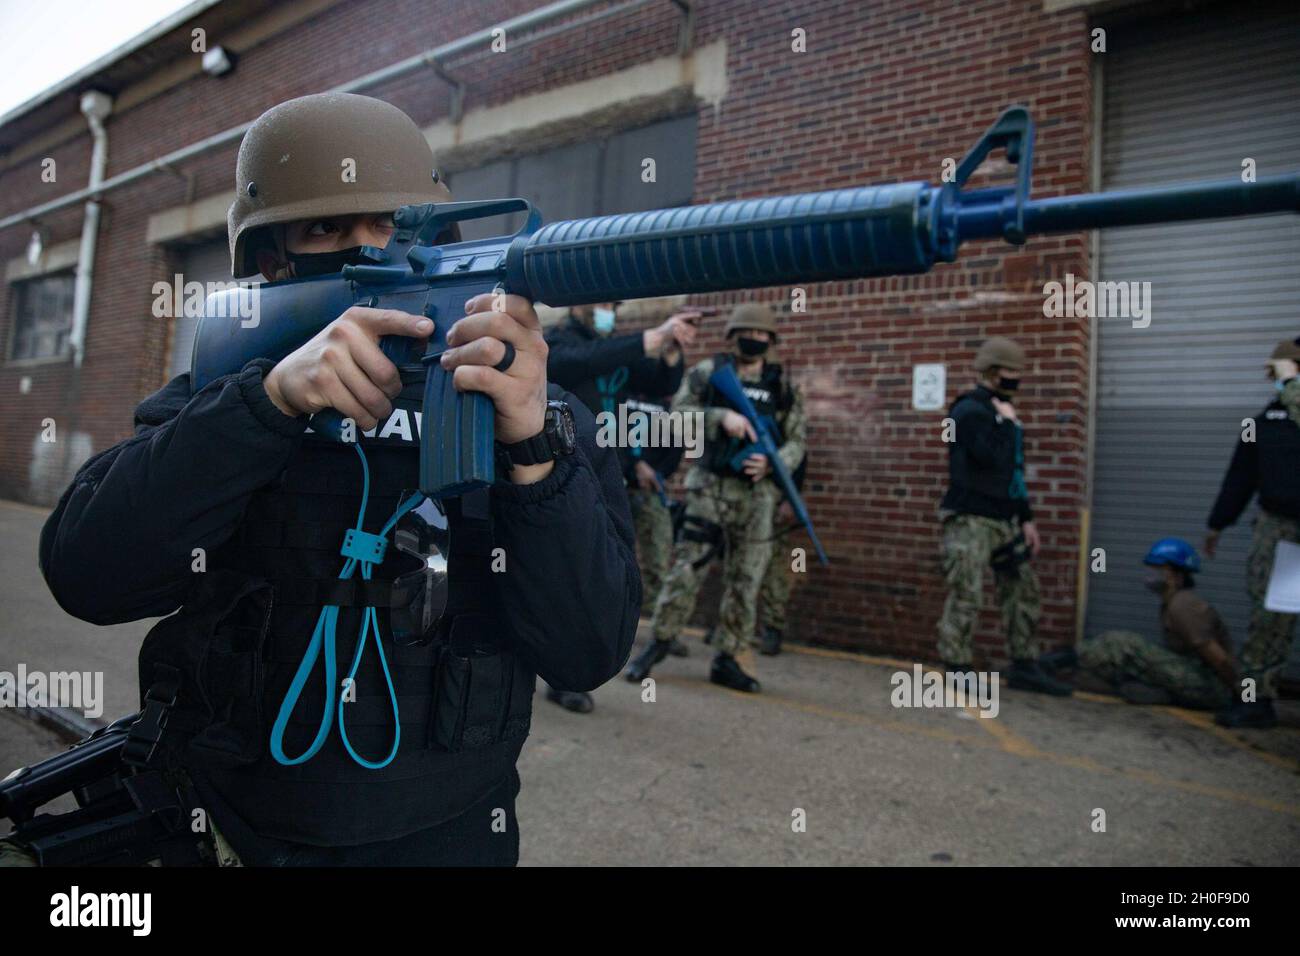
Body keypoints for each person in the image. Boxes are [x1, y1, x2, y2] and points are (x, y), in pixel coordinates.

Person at [37, 92, 640, 866]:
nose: (373, 249)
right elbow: (88, 576)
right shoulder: (233, 392)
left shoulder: (532, 408)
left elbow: (586, 651)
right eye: (330, 227)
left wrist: (530, 448)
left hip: (448, 833)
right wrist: (268, 404)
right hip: (227, 823)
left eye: (396, 224)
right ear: (271, 263)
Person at [626, 303, 805, 693]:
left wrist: (773, 464)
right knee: (688, 567)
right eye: (748, 333)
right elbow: (675, 416)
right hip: (710, 487)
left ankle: (728, 657)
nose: (755, 340)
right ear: (733, 335)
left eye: (762, 336)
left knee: (747, 577)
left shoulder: (783, 387)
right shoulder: (709, 374)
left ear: (771, 341)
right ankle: (658, 644)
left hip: (757, 496)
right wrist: (719, 418)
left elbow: (797, 442)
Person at [542, 302, 700, 711]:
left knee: (602, 573)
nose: (610, 311)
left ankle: (588, 658)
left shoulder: (611, 349)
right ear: (578, 304)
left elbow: (656, 378)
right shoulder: (559, 341)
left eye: (614, 306)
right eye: (604, 304)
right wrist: (649, 337)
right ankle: (562, 676)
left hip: (607, 470)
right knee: (568, 572)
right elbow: (578, 362)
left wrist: (669, 348)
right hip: (566, 467)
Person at [935, 337, 1070, 695]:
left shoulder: (1002, 411)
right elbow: (985, 458)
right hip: (971, 517)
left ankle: (1024, 663)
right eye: (1010, 371)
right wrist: (1007, 426)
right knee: (968, 593)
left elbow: (1013, 471)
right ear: (992, 372)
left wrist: (1026, 519)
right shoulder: (968, 411)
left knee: (1023, 589)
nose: (1016, 379)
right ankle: (956, 664)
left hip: (1005, 519)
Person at [1205, 336, 1300, 729]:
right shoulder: (1260, 423)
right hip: (1279, 530)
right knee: (1271, 619)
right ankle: (1255, 699)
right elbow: (1239, 478)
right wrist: (1217, 524)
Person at [1045, 539, 1235, 708]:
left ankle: (1050, 663)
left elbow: (1220, 659)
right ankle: (1163, 693)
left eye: (1159, 568)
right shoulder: (1172, 602)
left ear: (1177, 575)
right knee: (1121, 670)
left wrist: (1245, 697)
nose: (1151, 573)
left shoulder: (1183, 605)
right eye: (1151, 567)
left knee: (1123, 644)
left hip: (1214, 687)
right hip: (1195, 678)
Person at [756, 454, 808, 656]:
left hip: (775, 498)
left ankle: (772, 627)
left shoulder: (786, 424)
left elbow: (799, 458)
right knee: (736, 563)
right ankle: (729, 624)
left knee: (775, 568)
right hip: (745, 497)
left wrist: (789, 499)